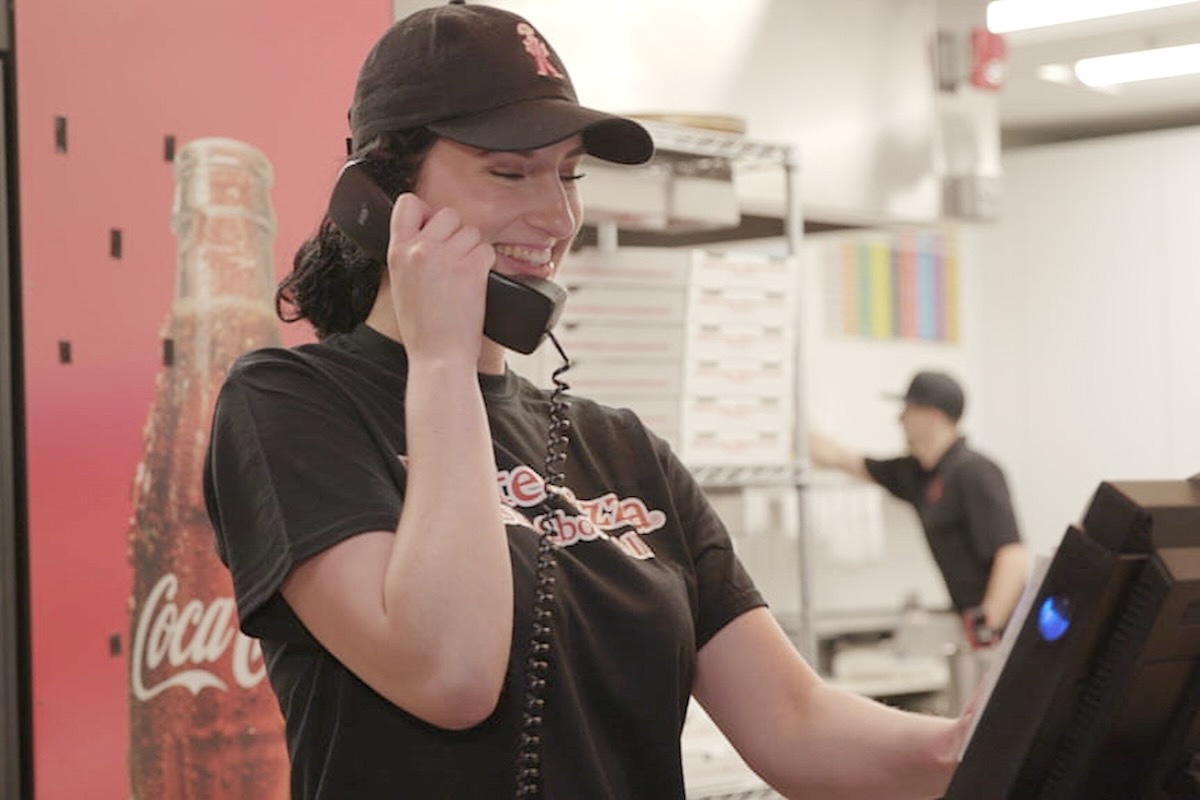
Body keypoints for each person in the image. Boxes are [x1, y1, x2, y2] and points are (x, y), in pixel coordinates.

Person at [203, 4, 973, 798]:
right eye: (511, 172)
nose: (557, 215)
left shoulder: (622, 450)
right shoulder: (289, 406)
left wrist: (979, 739)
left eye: (569, 174)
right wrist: (440, 361)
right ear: (381, 194)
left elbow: (794, 720)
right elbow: (450, 672)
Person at [809, 370, 1032, 648]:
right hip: (976, 629)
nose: (900, 419)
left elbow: (1013, 557)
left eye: (908, 410)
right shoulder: (918, 475)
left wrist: (986, 629)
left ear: (932, 416)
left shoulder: (975, 472)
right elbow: (844, 459)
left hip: (1007, 634)